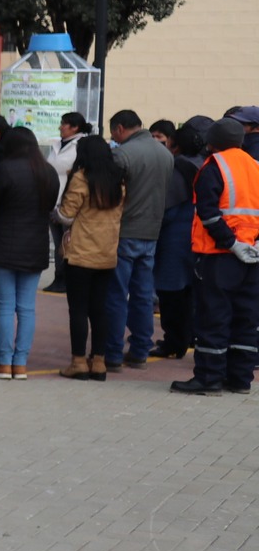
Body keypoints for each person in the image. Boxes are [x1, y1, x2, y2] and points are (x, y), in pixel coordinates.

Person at [171, 118, 259, 396]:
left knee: (213, 315)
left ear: (213, 142)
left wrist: (231, 243)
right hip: (252, 254)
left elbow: (208, 214)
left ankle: (208, 378)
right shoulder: (255, 166)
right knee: (246, 317)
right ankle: (240, 379)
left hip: (219, 255)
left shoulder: (214, 167)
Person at [0, 126, 59, 381]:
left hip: (2, 244)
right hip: (35, 244)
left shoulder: (4, 169)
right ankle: (21, 364)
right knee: (26, 308)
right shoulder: (48, 172)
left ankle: (4, 363)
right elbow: (49, 206)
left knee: (4, 307)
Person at [106, 108, 175, 371]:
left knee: (115, 294)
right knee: (143, 295)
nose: (114, 138)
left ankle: (112, 353)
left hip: (124, 231)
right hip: (152, 232)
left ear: (120, 128)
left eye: (114, 132)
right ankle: (139, 350)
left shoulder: (121, 154)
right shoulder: (165, 155)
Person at [54, 134, 126, 381]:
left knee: (78, 309)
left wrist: (55, 212)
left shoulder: (82, 178)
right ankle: (99, 362)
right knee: (99, 309)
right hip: (107, 253)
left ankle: (77, 362)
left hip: (82, 253)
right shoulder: (119, 179)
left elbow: (67, 214)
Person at [150, 119, 205, 360]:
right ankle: (188, 335)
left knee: (170, 293)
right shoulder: (203, 165)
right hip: (197, 237)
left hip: (175, 239)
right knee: (189, 292)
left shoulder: (177, 170)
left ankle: (174, 341)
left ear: (176, 146)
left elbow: (166, 209)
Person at [43, 111, 88, 294]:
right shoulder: (56, 145)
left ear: (75, 127)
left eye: (64, 124)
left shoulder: (81, 145)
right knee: (57, 242)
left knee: (68, 242)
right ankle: (58, 277)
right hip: (53, 200)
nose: (60, 127)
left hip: (70, 201)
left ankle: (69, 280)